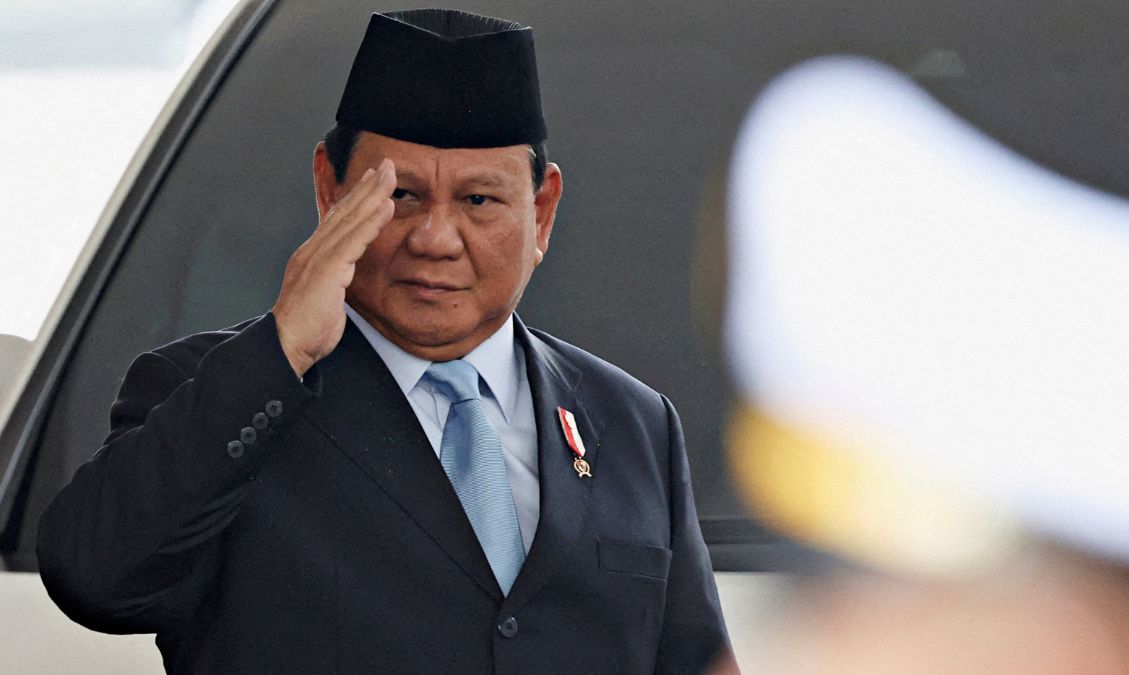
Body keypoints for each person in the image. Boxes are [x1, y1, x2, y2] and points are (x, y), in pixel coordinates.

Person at [35, 9, 730, 673]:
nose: (434, 239)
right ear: (329, 191)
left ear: (541, 211)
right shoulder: (217, 393)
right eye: (399, 196)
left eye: (478, 200)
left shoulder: (632, 424)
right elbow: (92, 575)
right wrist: (281, 352)